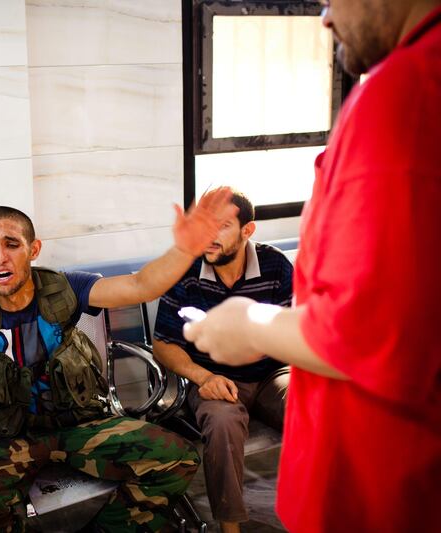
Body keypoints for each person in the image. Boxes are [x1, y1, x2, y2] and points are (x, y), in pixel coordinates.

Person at [182, 1, 441, 531]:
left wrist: (248, 324)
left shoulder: (406, 92)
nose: (324, 18)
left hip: (381, 491)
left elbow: (370, 333)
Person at [0, 190, 238, 532]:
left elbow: (141, 286)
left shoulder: (65, 288)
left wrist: (185, 249)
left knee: (176, 459)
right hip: (3, 439)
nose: (0, 255)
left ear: (33, 248)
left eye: (12, 244)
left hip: (78, 424)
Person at [152, 190, 292, 533]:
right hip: (214, 377)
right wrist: (203, 377)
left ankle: (322, 511)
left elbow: (290, 331)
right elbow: (162, 345)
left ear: (248, 231)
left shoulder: (275, 265)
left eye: (223, 226)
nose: (209, 237)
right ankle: (230, 529)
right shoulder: (185, 271)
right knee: (222, 421)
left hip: (273, 372)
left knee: (313, 406)